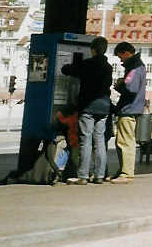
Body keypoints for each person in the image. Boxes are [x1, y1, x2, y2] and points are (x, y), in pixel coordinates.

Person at [60, 36, 112, 185]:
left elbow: (66, 70)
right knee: (100, 141)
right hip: (104, 107)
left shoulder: (87, 64)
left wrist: (70, 64)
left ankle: (83, 176)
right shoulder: (108, 67)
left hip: (88, 107)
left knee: (86, 141)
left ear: (93, 50)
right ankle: (99, 175)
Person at [111, 41, 146, 184]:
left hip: (129, 108)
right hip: (131, 108)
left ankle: (126, 173)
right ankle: (123, 170)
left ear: (126, 53)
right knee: (122, 141)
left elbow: (131, 88)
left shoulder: (135, 67)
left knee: (125, 142)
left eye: (120, 57)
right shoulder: (137, 66)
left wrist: (121, 84)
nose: (121, 61)